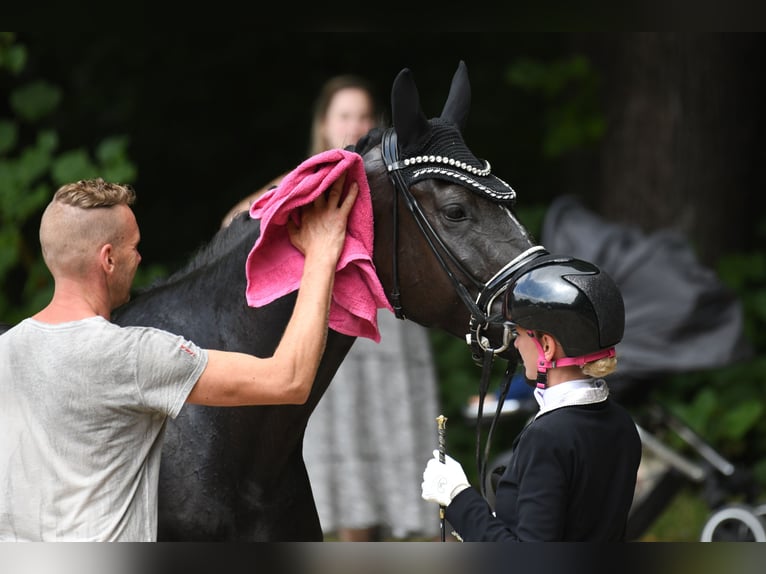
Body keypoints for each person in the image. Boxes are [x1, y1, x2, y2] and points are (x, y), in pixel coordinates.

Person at [0, 175, 357, 541]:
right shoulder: (131, 356)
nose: (139, 257)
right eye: (134, 247)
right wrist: (322, 254)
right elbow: (289, 380)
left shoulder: (6, 350)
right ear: (107, 259)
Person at [221, 74, 441, 541]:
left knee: (398, 462)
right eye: (345, 116)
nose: (355, 125)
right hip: (331, 333)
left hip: (391, 338)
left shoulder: (393, 180)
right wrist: (295, 181)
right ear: (323, 126)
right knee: (342, 479)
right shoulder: (309, 183)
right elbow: (233, 225)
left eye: (364, 116)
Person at [421, 255, 642, 541]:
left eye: (518, 332)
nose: (514, 342)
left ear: (547, 346)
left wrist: (458, 498)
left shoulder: (548, 437)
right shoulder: (622, 423)